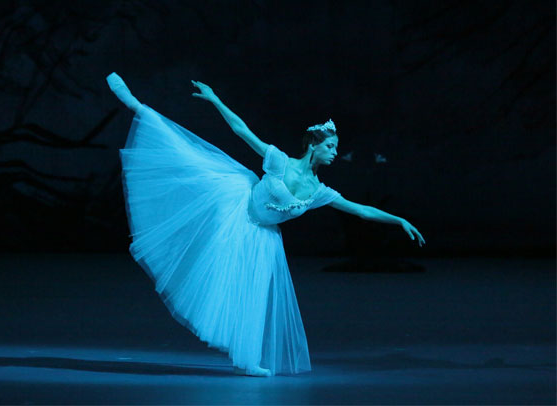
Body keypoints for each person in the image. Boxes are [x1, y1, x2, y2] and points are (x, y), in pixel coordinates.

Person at [107, 72, 425, 377]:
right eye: (331, 147)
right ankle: (138, 107)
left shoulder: (319, 192)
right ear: (314, 145)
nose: (335, 153)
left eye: (336, 148)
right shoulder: (278, 160)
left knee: (253, 296)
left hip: (263, 237)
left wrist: (399, 220)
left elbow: (361, 210)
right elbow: (242, 131)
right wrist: (216, 99)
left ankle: (246, 360)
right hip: (235, 212)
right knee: (188, 158)